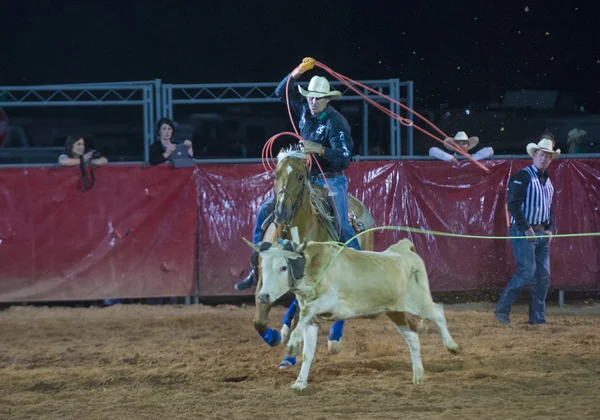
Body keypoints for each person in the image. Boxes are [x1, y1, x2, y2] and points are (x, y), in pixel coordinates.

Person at [235, 57, 358, 366]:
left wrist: (320, 151)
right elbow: (280, 93)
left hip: (330, 179)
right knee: (266, 210)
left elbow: (344, 157)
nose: (313, 102)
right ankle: (256, 266)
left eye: (318, 98)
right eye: (310, 97)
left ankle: (356, 264)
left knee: (342, 224)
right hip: (305, 177)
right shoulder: (303, 109)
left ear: (328, 99)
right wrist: (297, 72)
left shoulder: (337, 123)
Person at [494, 135, 560, 327]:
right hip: (523, 232)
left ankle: (537, 319)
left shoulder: (548, 182)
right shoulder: (521, 177)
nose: (544, 159)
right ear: (534, 155)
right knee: (526, 273)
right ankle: (501, 310)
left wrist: (550, 229)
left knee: (543, 278)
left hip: (540, 234)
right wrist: (526, 228)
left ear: (550, 159)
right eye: (541, 155)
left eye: (548, 156)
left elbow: (549, 209)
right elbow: (512, 205)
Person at [429, 131, 494, 163]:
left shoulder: (475, 157)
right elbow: (432, 150)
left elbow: (490, 150)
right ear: (453, 146)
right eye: (458, 143)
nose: (460, 145)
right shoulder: (447, 158)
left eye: (464, 143)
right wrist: (450, 158)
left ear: (468, 146)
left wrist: (472, 159)